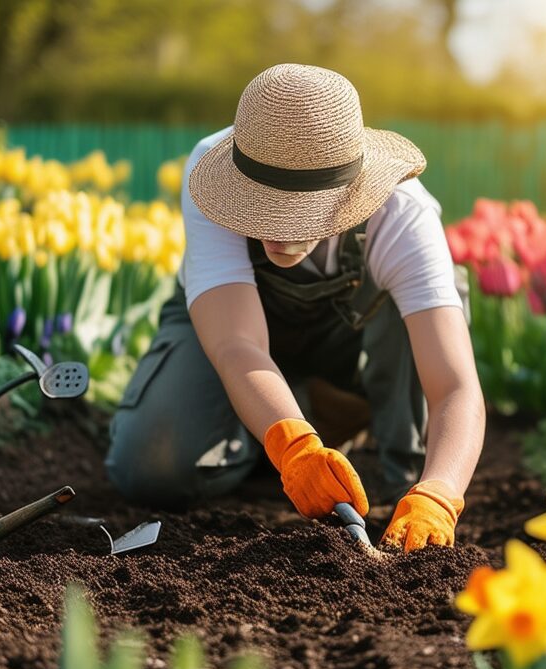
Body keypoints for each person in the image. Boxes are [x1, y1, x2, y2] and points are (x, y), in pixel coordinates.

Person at [105, 63, 485, 552]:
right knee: (149, 467)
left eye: (301, 213)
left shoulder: (401, 215)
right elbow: (237, 344)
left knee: (417, 461)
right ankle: (275, 432)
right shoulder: (212, 176)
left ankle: (390, 461)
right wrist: (292, 446)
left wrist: (441, 493)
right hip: (232, 330)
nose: (281, 233)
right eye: (262, 207)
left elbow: (455, 387)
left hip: (348, 339)